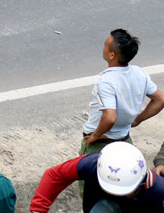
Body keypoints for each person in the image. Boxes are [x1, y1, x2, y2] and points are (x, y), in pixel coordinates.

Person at [81, 29, 164, 157]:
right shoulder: (139, 73)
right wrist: (137, 120)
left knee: (91, 174)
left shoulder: (106, 82)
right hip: (124, 140)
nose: (103, 48)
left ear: (112, 55)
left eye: (105, 45)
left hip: (100, 144)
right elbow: (160, 100)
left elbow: (110, 117)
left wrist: (95, 136)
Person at [30, 141, 164, 212]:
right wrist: (38, 209)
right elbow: (55, 175)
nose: (116, 195)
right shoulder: (93, 164)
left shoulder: (158, 192)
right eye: (108, 189)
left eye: (125, 192)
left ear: (140, 182)